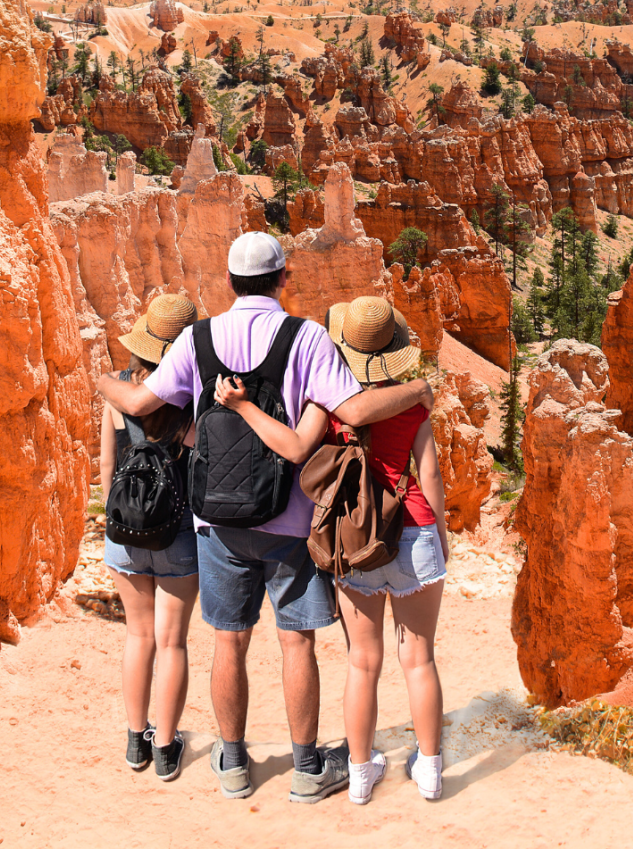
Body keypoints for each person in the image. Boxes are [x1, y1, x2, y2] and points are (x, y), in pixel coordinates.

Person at [93, 233, 432, 805]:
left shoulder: (198, 338)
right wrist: (419, 390)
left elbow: (138, 405)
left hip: (215, 522)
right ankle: (306, 770)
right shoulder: (307, 337)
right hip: (290, 520)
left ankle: (232, 765)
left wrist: (101, 381)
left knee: (228, 642)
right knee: (296, 643)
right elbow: (351, 410)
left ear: (228, 282)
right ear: (284, 278)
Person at [215, 295, 446, 805]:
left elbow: (296, 448)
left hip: (352, 538)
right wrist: (440, 539)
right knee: (420, 659)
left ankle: (360, 775)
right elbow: (427, 476)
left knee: (362, 662)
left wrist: (240, 406)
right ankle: (429, 770)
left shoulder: (327, 402)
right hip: (413, 530)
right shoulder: (412, 402)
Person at [98, 293, 201, 783]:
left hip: (125, 529)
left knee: (137, 637)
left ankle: (134, 740)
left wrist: (120, 517)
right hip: (178, 531)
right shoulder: (191, 394)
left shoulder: (119, 389)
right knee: (172, 641)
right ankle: (165, 747)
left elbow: (105, 465)